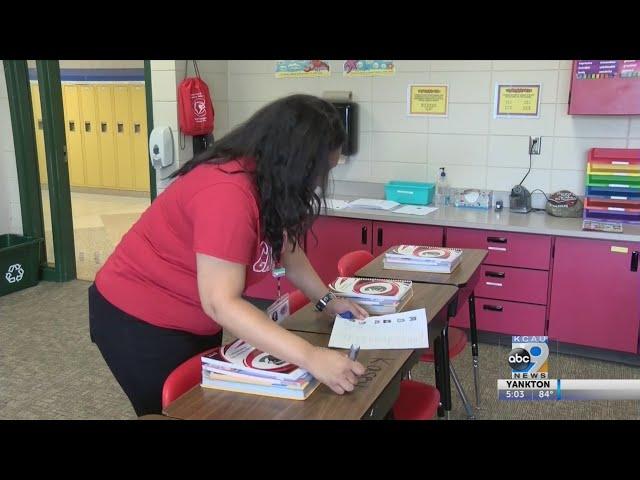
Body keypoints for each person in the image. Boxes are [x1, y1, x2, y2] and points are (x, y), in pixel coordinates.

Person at [89, 94, 368, 416]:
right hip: (138, 319)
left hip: (196, 318)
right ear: (294, 160)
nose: (319, 183)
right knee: (180, 411)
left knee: (214, 407)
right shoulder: (227, 193)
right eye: (319, 170)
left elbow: (289, 251)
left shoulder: (268, 181)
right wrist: (309, 356)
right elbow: (221, 302)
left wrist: (327, 300)